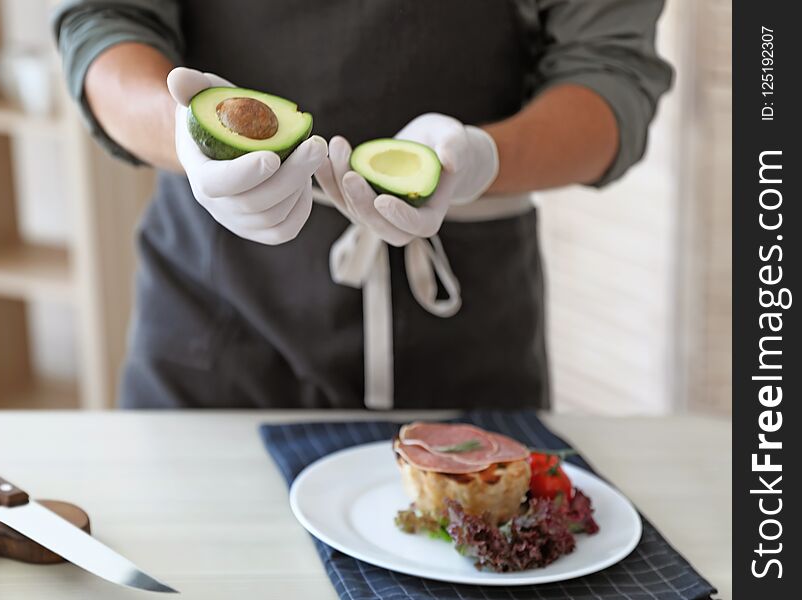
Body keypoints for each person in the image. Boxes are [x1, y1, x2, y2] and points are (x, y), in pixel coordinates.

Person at [53, 0, 672, 410]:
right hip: (213, 320)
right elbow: (104, 23)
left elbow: (610, 72)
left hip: (465, 335)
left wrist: (481, 158)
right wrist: (189, 135)